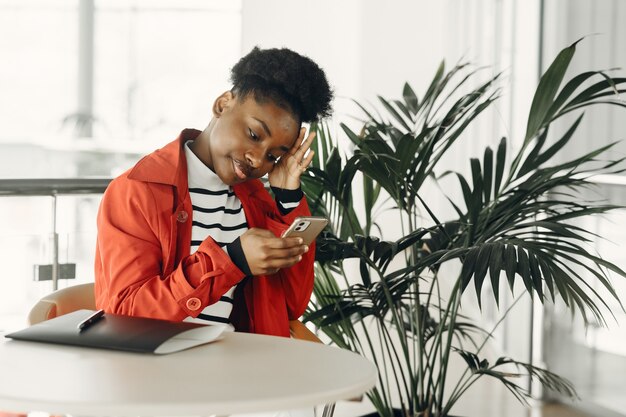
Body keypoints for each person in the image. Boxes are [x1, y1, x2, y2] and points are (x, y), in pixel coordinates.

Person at [94, 46, 333, 337]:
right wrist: (230, 260)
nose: (258, 160)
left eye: (273, 156)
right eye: (254, 135)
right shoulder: (137, 192)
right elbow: (125, 316)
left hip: (237, 370)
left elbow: (290, 307)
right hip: (155, 373)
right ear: (222, 104)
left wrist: (288, 200)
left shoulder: (256, 200)